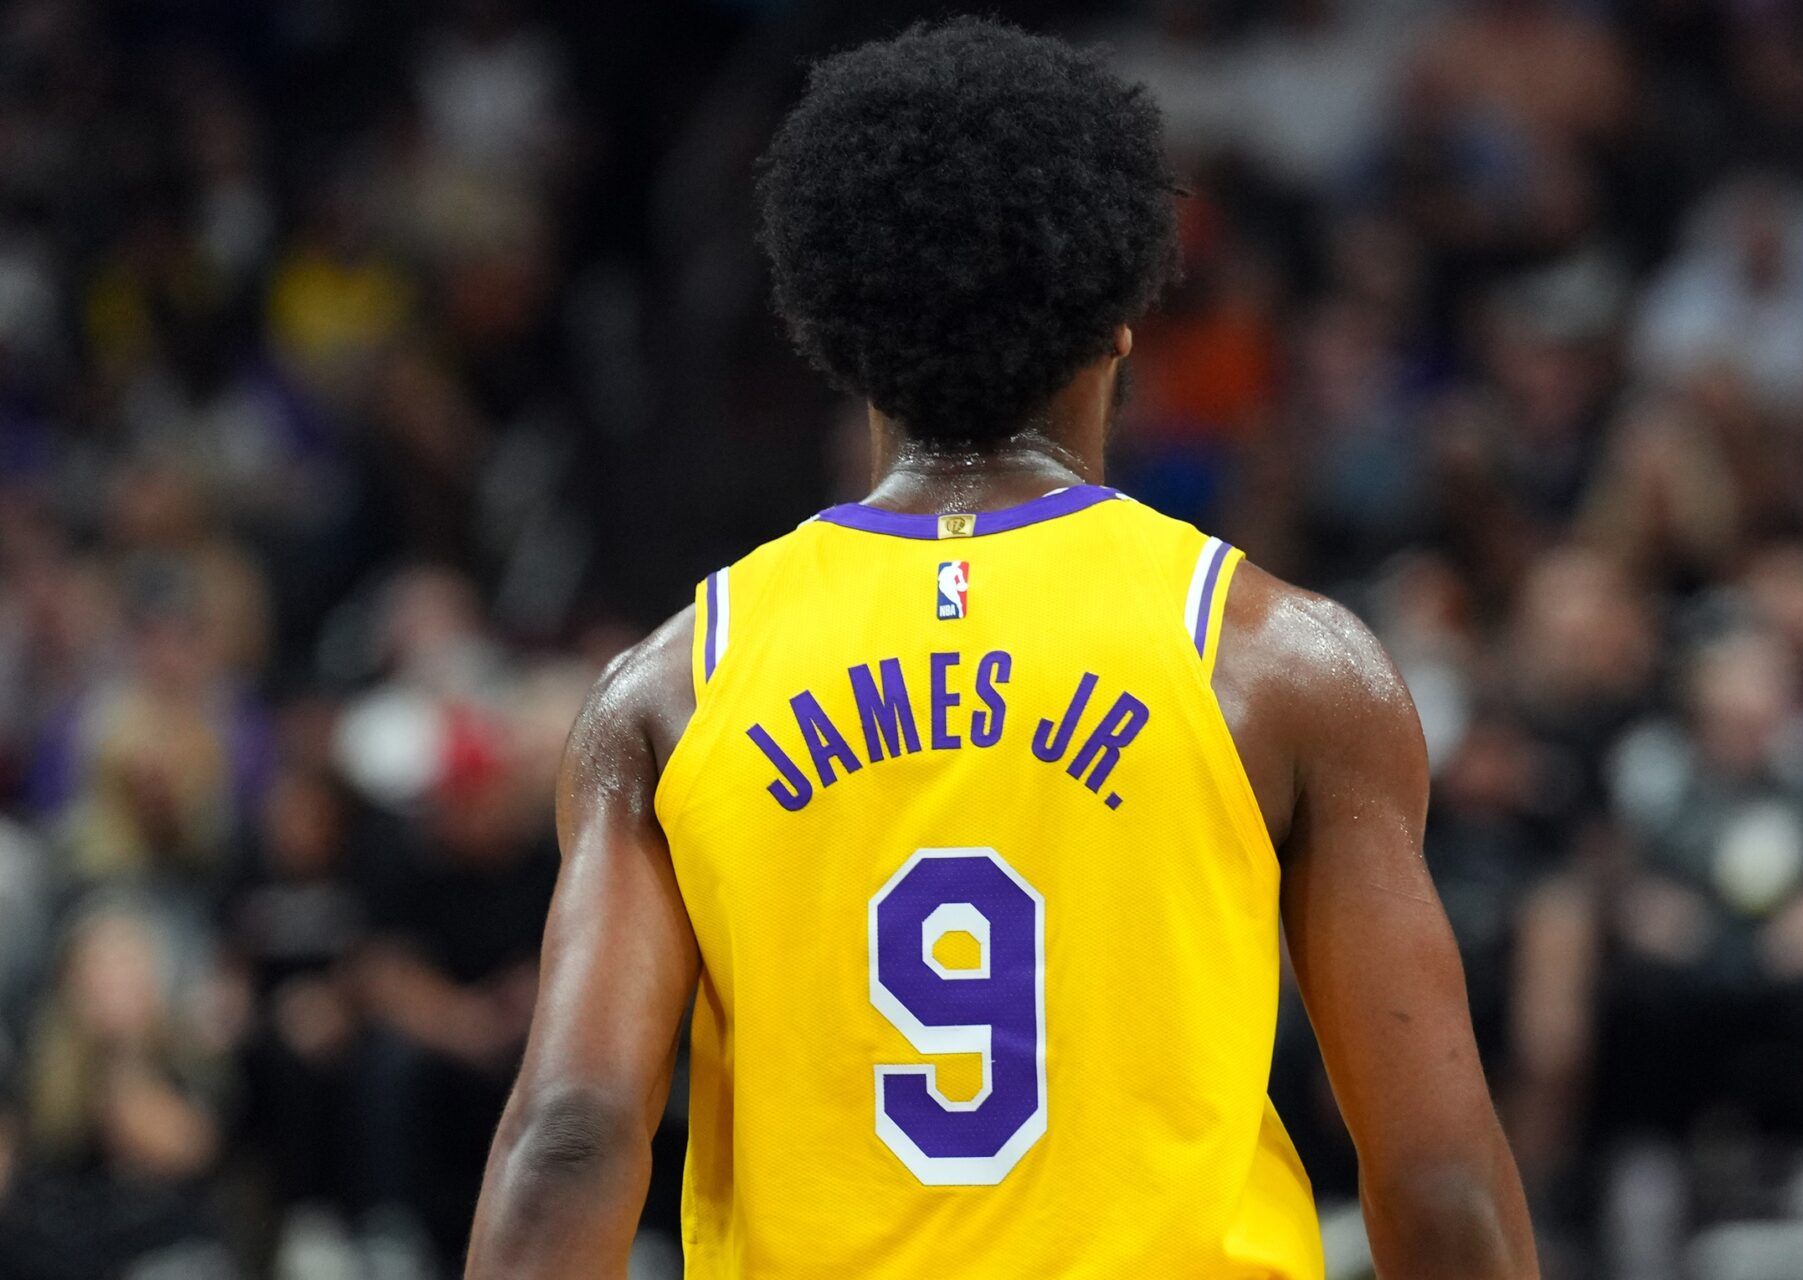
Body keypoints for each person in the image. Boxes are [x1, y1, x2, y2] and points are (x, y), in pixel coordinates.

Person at [467, 19, 1536, 1280]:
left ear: (834, 333)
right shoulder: (1283, 663)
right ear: (1124, 318)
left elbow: (571, 1132)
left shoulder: (670, 686)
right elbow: (1437, 1174)